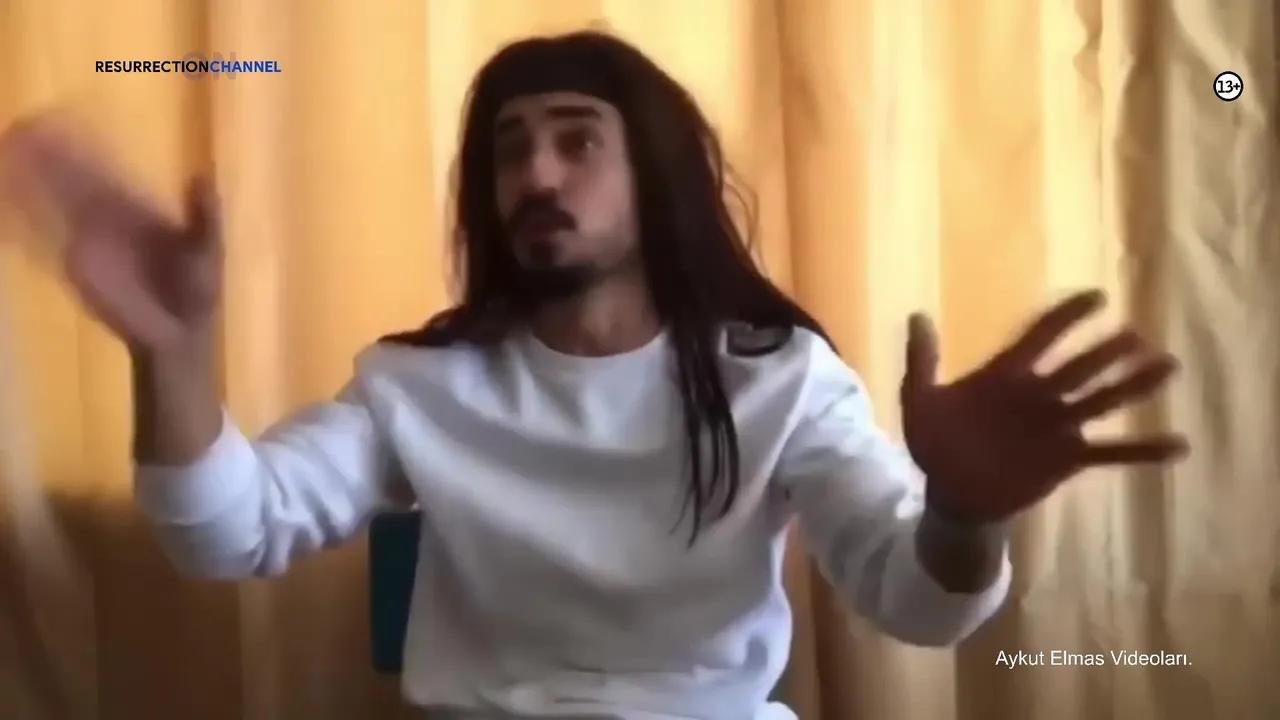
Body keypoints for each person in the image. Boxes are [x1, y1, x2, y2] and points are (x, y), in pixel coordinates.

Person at [0, 30, 1187, 720]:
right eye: (509, 149)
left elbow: (915, 605)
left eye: (576, 139)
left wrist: (963, 514)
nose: (535, 174)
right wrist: (171, 354)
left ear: (655, 174)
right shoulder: (420, 385)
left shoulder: (777, 380)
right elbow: (230, 533)